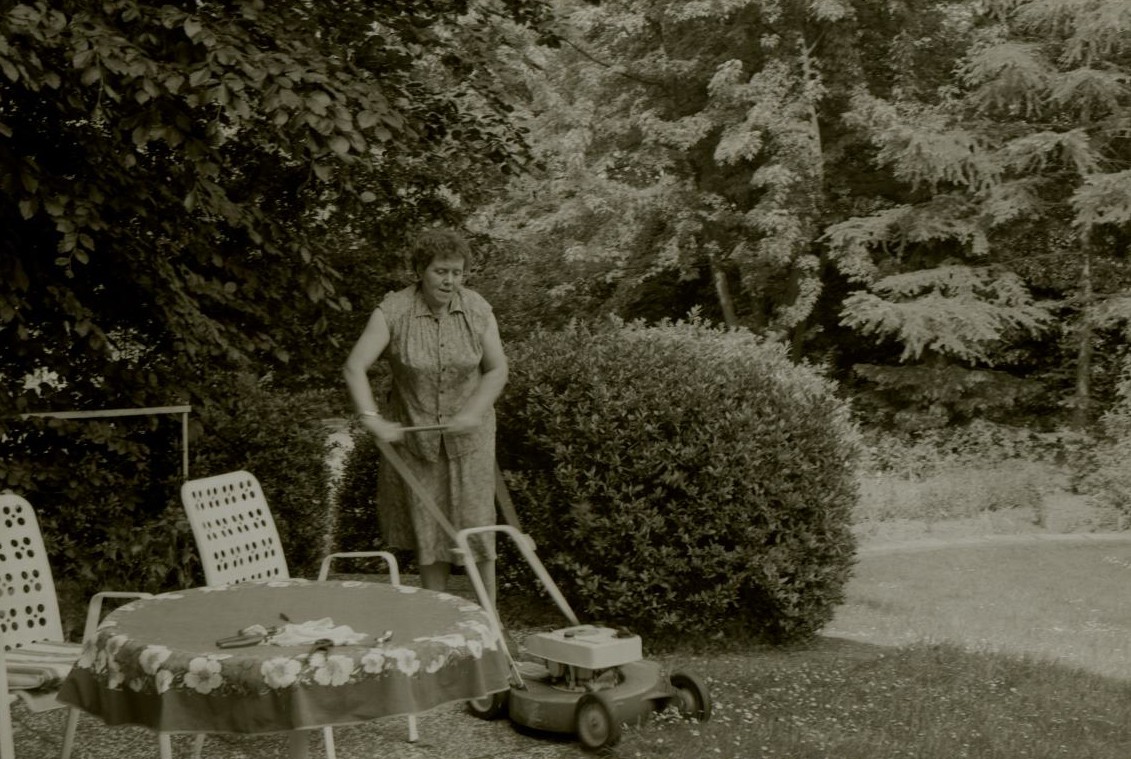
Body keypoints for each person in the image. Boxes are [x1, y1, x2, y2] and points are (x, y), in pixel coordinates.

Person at [343, 227, 508, 604]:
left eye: (457, 272)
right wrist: (372, 417)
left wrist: (472, 411)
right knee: (429, 533)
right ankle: (439, 622)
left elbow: (497, 370)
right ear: (420, 270)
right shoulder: (393, 311)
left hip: (471, 441)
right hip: (417, 443)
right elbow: (354, 367)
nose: (450, 281)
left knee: (478, 532)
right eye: (441, 271)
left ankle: (489, 627)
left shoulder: (478, 309)